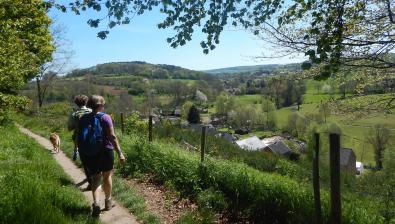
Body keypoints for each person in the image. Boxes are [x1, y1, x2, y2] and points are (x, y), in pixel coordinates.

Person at [78, 95, 126, 217]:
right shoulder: (105, 117)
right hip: (106, 150)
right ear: (100, 105)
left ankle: (96, 204)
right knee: (107, 175)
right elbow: (112, 136)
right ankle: (108, 201)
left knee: (96, 178)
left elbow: (80, 136)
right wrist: (120, 152)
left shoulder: (83, 118)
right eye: (103, 104)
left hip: (90, 152)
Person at [67, 95, 92, 189]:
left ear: (76, 103)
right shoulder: (91, 111)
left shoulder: (74, 114)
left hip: (80, 139)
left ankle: (91, 181)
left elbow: (69, 128)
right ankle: (96, 178)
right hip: (94, 138)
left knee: (85, 161)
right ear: (86, 102)